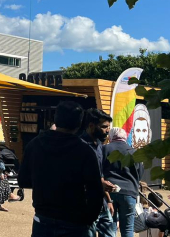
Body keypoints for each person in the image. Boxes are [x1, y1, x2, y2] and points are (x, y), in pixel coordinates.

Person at [18, 101, 103, 237]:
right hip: (75, 220)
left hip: (43, 217)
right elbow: (96, 191)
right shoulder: (84, 151)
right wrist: (89, 219)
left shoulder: (35, 145)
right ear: (79, 123)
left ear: (55, 119)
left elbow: (23, 180)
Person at [81, 108, 117, 237]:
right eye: (104, 127)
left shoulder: (100, 145)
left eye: (108, 127)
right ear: (91, 126)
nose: (108, 130)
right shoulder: (80, 146)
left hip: (101, 202)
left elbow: (100, 175)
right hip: (86, 203)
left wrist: (109, 200)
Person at [103, 127, 144, 237]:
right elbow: (140, 174)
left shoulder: (104, 149)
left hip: (109, 192)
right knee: (127, 228)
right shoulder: (134, 152)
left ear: (111, 137)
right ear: (125, 137)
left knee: (109, 226)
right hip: (129, 192)